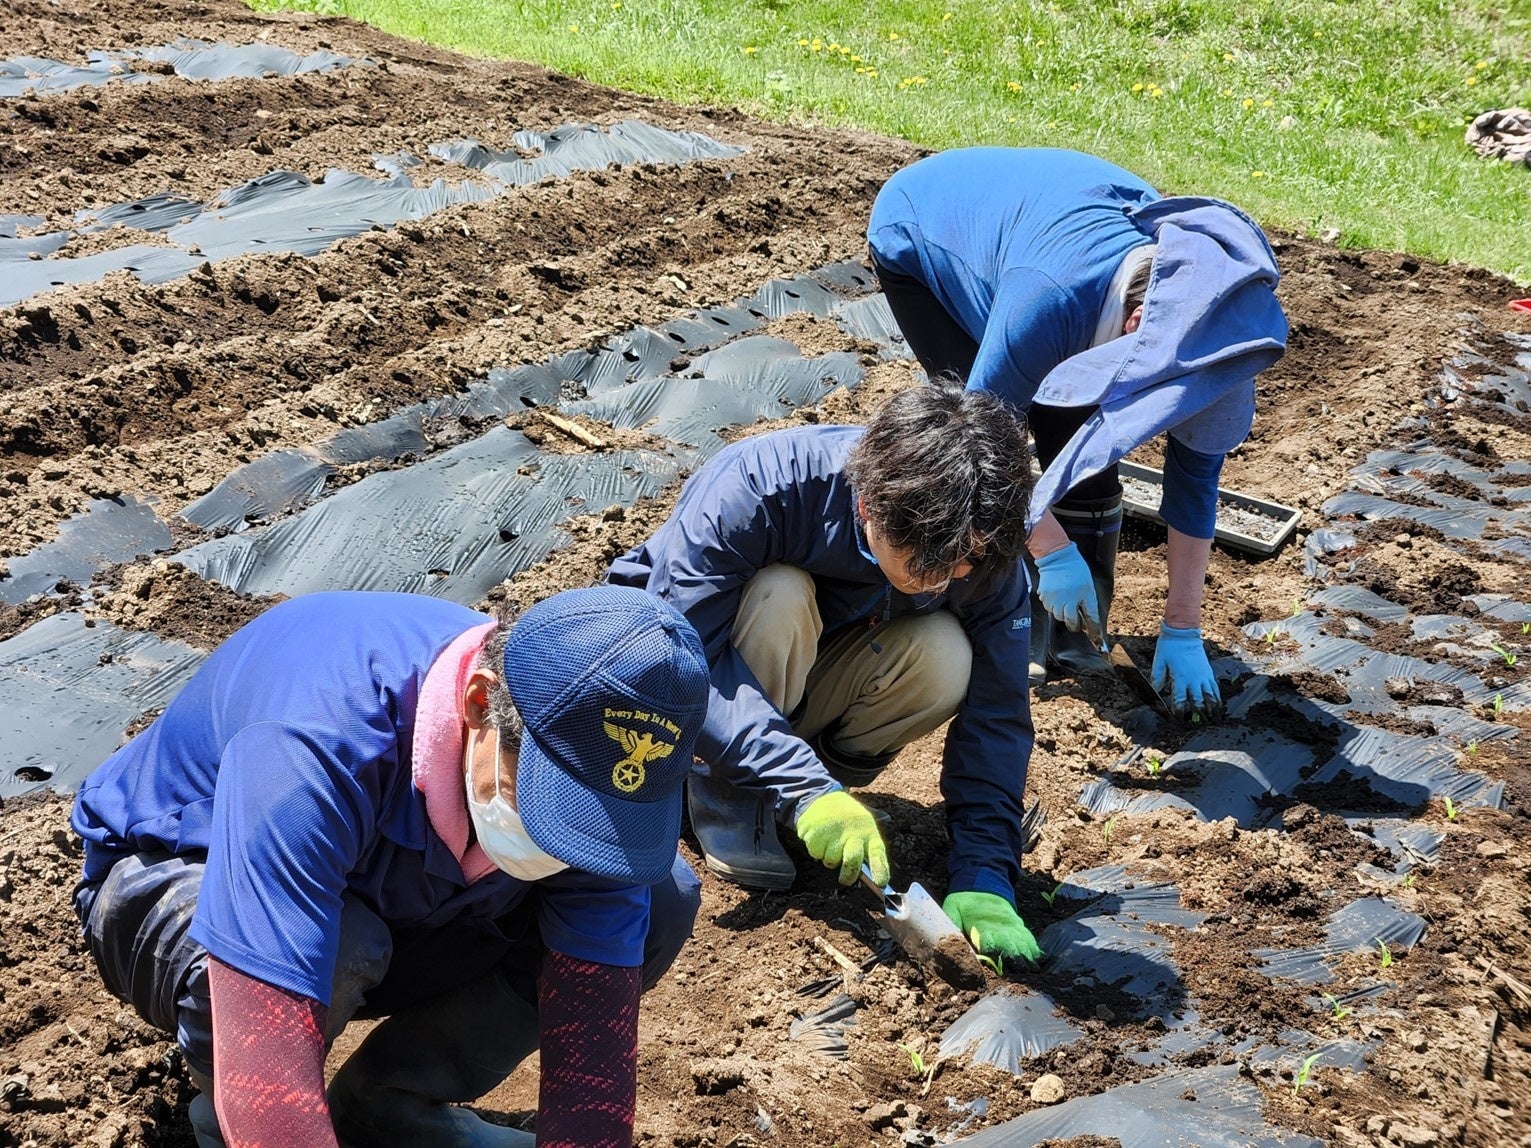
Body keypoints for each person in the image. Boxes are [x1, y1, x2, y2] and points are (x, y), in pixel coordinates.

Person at [70, 585, 710, 1148]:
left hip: (414, 901)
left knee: (661, 896)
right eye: (548, 798)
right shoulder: (319, 743)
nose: (564, 839)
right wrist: (272, 1122)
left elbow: (591, 1044)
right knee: (346, 942)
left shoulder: (591, 778)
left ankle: (386, 1107)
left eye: (595, 816)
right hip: (183, 881)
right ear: (480, 706)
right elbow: (267, 1074)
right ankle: (221, 1122)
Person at [609, 379, 1045, 963]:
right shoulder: (760, 488)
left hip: (816, 688)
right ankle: (727, 788)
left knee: (946, 654)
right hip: (702, 691)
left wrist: (986, 875)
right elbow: (679, 655)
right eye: (924, 559)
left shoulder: (983, 555)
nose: (944, 577)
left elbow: (997, 717)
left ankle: (817, 794)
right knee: (779, 594)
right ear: (870, 505)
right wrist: (801, 785)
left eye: (962, 560)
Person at [868, 147, 1289, 718]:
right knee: (971, 446)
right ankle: (1005, 620)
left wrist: (1183, 627)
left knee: (1080, 439)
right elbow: (980, 449)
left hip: (1056, 246)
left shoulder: (1212, 332)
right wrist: (1053, 553)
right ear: (1135, 325)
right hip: (926, 225)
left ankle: (1077, 637)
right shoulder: (1047, 303)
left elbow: (1194, 485)